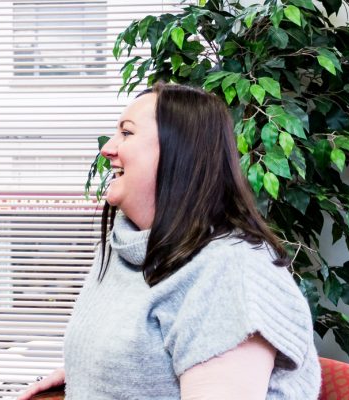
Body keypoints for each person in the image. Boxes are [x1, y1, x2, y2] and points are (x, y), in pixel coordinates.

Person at [17, 83, 320, 399]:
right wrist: (90, 374)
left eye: (127, 133)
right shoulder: (127, 246)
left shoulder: (231, 270)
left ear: (180, 153)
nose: (107, 149)